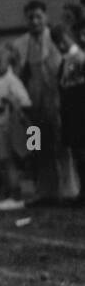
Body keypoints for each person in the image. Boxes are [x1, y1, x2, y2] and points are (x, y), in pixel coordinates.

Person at [10, 0, 74, 204]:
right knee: (36, 147)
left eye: (38, 16)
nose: (35, 21)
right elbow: (17, 75)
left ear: (45, 17)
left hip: (57, 101)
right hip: (32, 106)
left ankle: (69, 191)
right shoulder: (21, 44)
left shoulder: (56, 38)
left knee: (62, 145)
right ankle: (44, 192)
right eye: (30, 17)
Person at [0, 47, 33, 211]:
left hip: (9, 125)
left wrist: (10, 102)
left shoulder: (12, 80)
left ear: (7, 63)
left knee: (9, 161)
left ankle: (16, 195)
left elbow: (25, 101)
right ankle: (8, 193)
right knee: (1, 161)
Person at [53, 22, 85, 204]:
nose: (61, 45)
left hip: (81, 108)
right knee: (77, 152)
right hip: (70, 110)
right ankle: (82, 191)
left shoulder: (80, 58)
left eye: (63, 40)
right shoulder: (65, 61)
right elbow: (62, 85)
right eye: (57, 42)